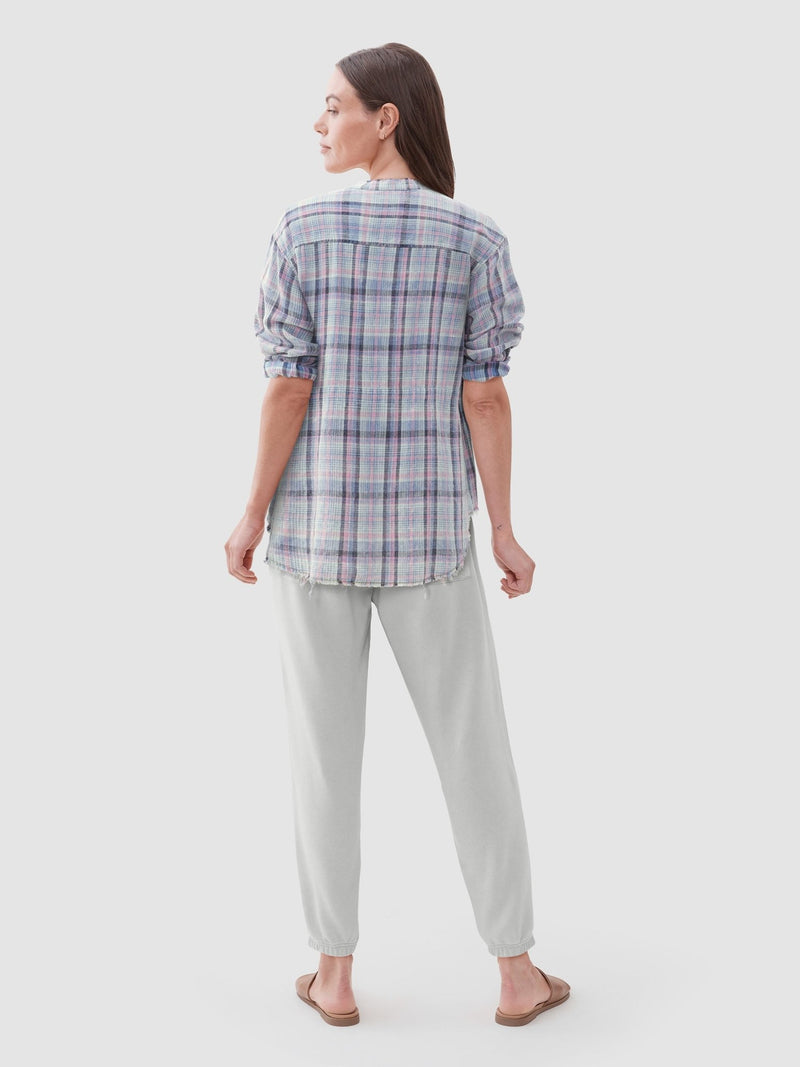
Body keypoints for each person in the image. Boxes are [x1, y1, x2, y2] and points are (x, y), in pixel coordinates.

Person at [224, 42, 570, 1028]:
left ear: (387, 117)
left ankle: (332, 974)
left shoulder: (301, 231)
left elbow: (287, 386)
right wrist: (503, 529)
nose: (319, 122)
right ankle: (516, 972)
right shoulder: (473, 238)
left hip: (315, 539)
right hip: (428, 542)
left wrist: (251, 511)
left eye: (334, 106)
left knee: (322, 759)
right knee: (474, 746)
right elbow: (485, 397)